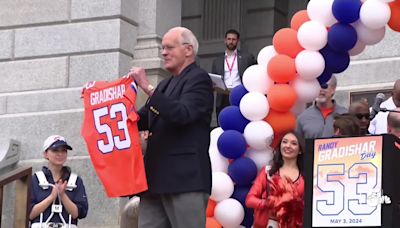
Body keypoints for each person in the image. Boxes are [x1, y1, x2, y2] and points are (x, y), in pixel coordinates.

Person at [128, 27, 214, 228]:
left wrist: (147, 88)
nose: (163, 52)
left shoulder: (199, 79)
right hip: (155, 180)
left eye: (169, 47)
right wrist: (108, 105)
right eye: (162, 48)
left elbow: (182, 114)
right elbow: (141, 119)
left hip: (185, 180)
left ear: (188, 50)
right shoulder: (166, 85)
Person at [246, 131, 305, 228]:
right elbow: (249, 200)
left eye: (293, 143)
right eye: (284, 142)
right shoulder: (268, 172)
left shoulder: (304, 177)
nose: (288, 146)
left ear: (300, 150)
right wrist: (269, 203)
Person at [30, 135, 88, 228]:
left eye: (63, 150)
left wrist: (62, 195)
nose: (60, 154)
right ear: (45, 154)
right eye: (55, 150)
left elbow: (78, 214)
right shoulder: (35, 180)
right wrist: (52, 197)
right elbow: (29, 214)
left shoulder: (75, 180)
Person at [211, 29, 256, 119]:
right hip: (223, 95)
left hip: (239, 93)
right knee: (223, 120)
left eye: (233, 39)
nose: (231, 42)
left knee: (239, 119)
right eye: (229, 39)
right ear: (225, 40)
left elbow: (253, 74)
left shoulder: (247, 57)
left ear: (237, 41)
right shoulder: (217, 60)